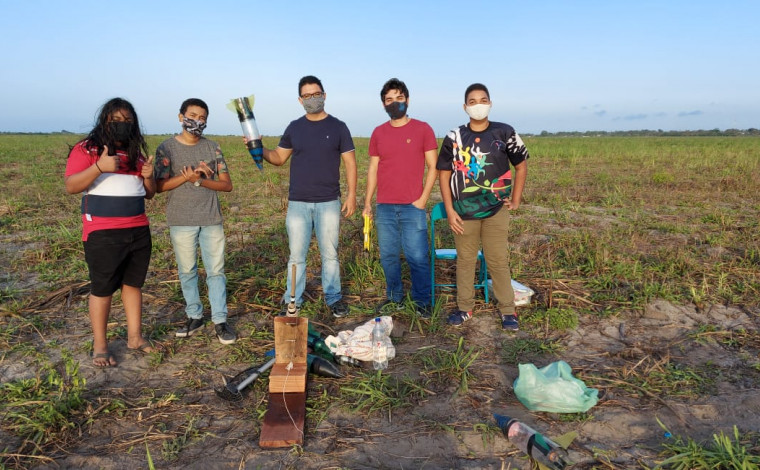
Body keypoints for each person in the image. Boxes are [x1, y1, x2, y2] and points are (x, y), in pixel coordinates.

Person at [65, 97, 159, 367]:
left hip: (138, 230)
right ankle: (100, 346)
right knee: (102, 289)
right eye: (116, 120)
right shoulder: (88, 149)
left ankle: (135, 337)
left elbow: (149, 194)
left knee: (133, 285)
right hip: (103, 233)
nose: (122, 124)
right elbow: (71, 186)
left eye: (127, 120)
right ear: (104, 121)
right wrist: (99, 167)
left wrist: (149, 176)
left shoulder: (135, 154)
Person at [260, 75, 357, 318]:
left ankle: (333, 298)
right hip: (298, 203)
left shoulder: (338, 127)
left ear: (324, 95)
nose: (312, 99)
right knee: (296, 256)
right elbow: (279, 158)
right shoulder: (295, 128)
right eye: (307, 96)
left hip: (329, 201)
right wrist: (258, 148)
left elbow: (350, 163)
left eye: (316, 94)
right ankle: (293, 299)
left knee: (330, 254)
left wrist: (352, 195)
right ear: (300, 100)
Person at [436, 83, 528, 331]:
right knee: (466, 260)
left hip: (496, 209)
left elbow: (521, 166)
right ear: (465, 107)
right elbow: (443, 174)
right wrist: (450, 210)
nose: (478, 105)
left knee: (497, 260)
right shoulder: (454, 137)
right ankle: (465, 308)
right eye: (473, 101)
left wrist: (516, 199)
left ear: (490, 103)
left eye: (483, 100)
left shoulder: (505, 132)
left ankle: (508, 310)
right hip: (463, 211)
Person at [154, 98, 236, 344]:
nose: (197, 122)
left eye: (202, 118)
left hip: (211, 219)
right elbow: (159, 186)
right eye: (192, 116)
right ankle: (194, 315)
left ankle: (220, 320)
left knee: (216, 271)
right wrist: (186, 178)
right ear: (181, 117)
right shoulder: (166, 148)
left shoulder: (213, 148)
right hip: (181, 219)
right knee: (187, 271)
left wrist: (199, 180)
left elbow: (227, 185)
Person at [363, 78, 438, 319]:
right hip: (384, 206)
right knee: (388, 256)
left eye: (399, 98)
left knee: (417, 256)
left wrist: (423, 199)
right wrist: (368, 202)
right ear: (383, 104)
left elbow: (433, 166)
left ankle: (422, 301)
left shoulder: (423, 129)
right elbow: (373, 168)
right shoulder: (378, 132)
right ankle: (394, 297)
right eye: (389, 100)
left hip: (412, 206)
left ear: (407, 100)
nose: (394, 103)